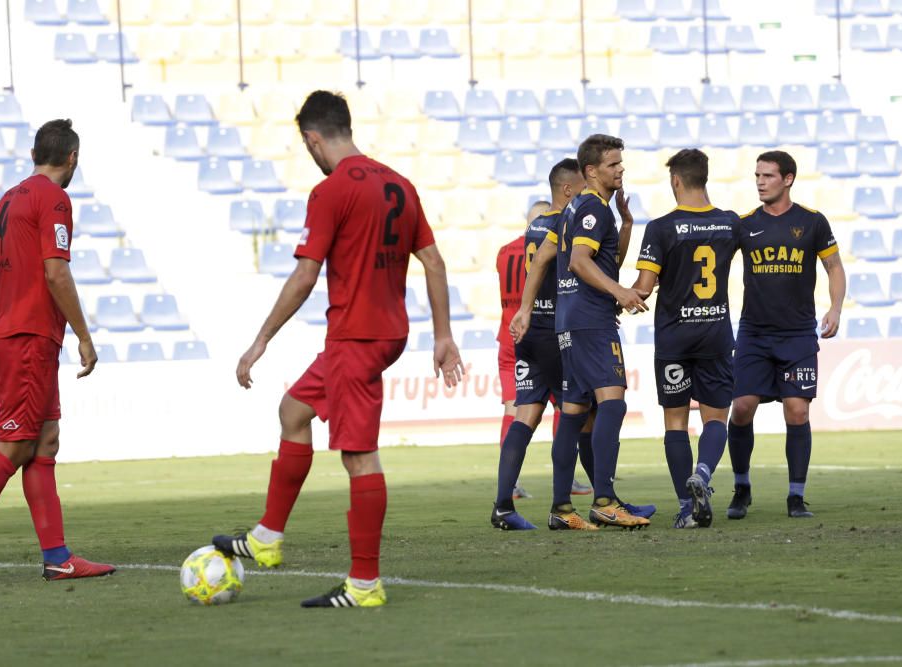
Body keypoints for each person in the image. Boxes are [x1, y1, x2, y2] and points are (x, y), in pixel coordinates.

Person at [214, 91, 464, 608]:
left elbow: (306, 275)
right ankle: (266, 539)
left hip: (357, 336)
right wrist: (443, 335)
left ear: (312, 138)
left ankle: (365, 584)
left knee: (359, 456)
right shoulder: (398, 182)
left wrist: (260, 340)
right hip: (385, 331)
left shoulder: (330, 192)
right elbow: (434, 263)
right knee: (294, 410)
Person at [0, 119, 112, 580]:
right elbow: (55, 272)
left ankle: (58, 560)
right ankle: (57, 559)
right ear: (71, 157)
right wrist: (84, 335)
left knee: (44, 440)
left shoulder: (8, 199)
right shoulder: (53, 199)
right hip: (30, 337)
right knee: (15, 446)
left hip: (10, 333)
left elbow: (2, 278)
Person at [516, 134, 651, 530]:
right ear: (591, 171)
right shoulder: (593, 208)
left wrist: (626, 222)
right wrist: (620, 292)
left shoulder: (575, 208)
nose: (620, 169)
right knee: (612, 403)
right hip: (592, 320)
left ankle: (561, 509)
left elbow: (576, 258)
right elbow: (579, 261)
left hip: (568, 321)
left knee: (574, 413)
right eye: (613, 164)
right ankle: (606, 500)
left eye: (620, 163)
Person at [726, 150, 846, 520]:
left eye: (768, 176)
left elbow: (834, 267)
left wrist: (835, 307)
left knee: (796, 411)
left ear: (788, 179)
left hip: (796, 335)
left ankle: (796, 497)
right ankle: (742, 487)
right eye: (757, 175)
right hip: (754, 334)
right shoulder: (744, 225)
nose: (760, 182)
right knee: (742, 408)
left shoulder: (812, 222)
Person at [632, 149, 739, 529]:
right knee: (715, 418)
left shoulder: (661, 228)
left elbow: (643, 289)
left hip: (674, 338)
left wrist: (624, 294)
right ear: (704, 177)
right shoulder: (729, 223)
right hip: (715, 334)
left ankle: (685, 508)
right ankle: (704, 475)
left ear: (675, 180)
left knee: (675, 423)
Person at [491, 160, 591, 531]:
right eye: (582, 187)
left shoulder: (531, 230)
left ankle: (503, 505)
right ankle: (564, 506)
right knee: (575, 413)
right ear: (568, 188)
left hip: (525, 331)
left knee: (525, 415)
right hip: (556, 332)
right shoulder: (568, 224)